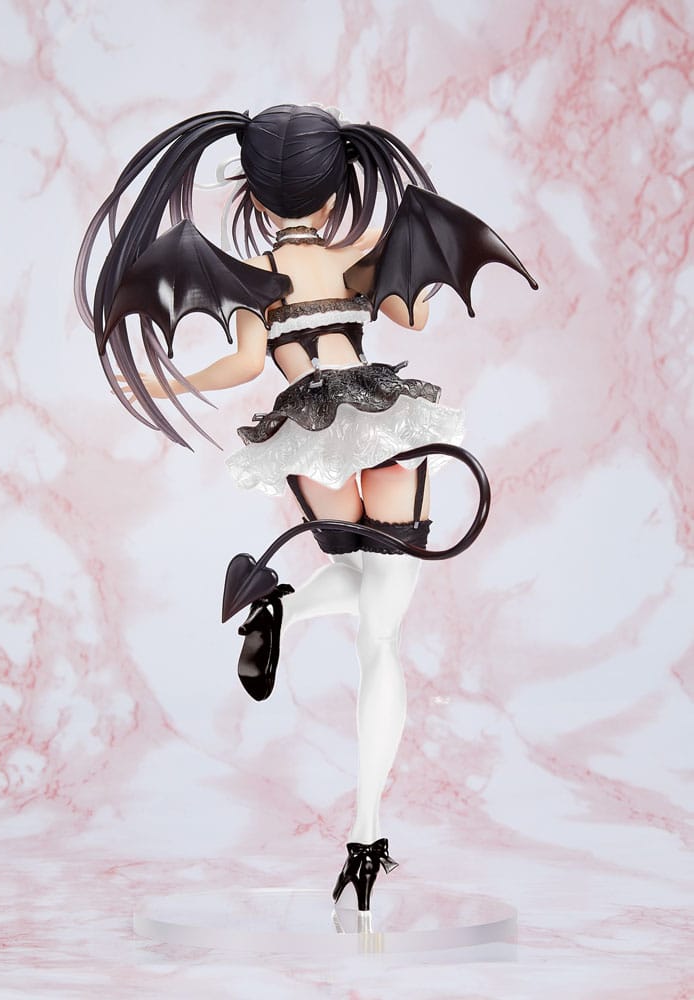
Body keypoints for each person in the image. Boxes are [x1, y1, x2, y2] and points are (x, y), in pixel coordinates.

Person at [75, 103, 534, 911]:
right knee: (382, 635)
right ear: (336, 187)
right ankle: (366, 835)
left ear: (253, 190)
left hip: (311, 435)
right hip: (384, 422)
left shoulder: (248, 278)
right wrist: (405, 268)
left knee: (362, 589)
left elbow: (243, 364)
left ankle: (277, 605)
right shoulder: (359, 253)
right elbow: (412, 316)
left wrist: (162, 381)